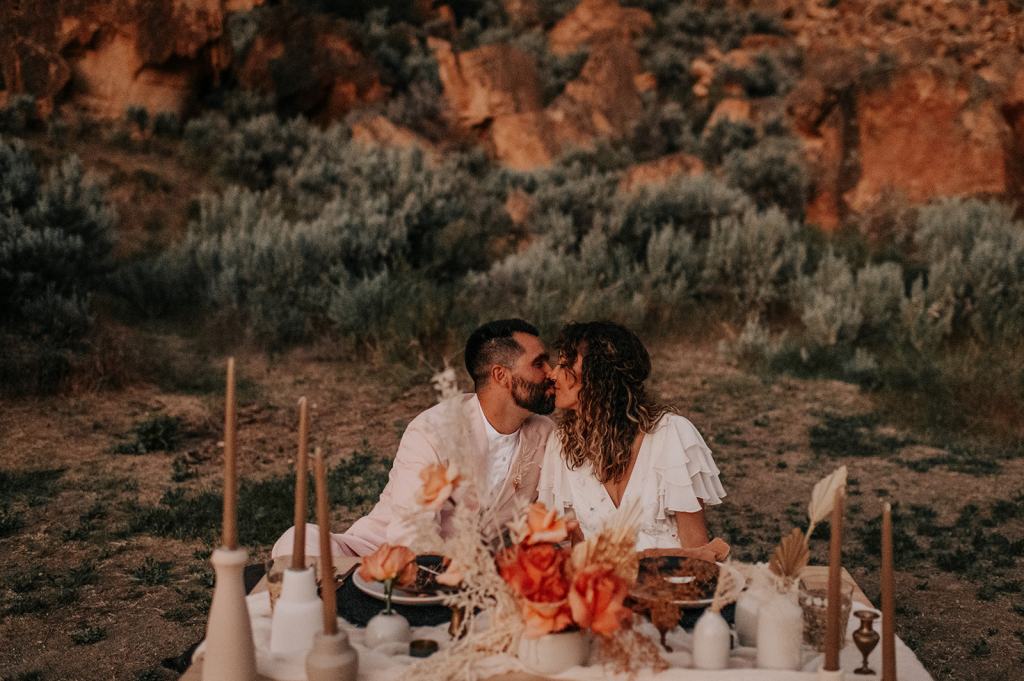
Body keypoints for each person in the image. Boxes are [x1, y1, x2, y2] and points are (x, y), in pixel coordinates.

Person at [272, 319, 555, 558]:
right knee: (297, 544)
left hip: (484, 576)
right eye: (539, 363)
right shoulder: (433, 431)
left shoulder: (546, 434)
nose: (551, 372)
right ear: (501, 376)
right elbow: (413, 534)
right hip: (387, 553)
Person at [538, 321, 729, 558]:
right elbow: (575, 545)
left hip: (672, 583)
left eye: (565, 363)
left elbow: (696, 545)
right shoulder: (562, 444)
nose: (553, 375)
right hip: (602, 588)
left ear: (598, 374)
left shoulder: (671, 435)